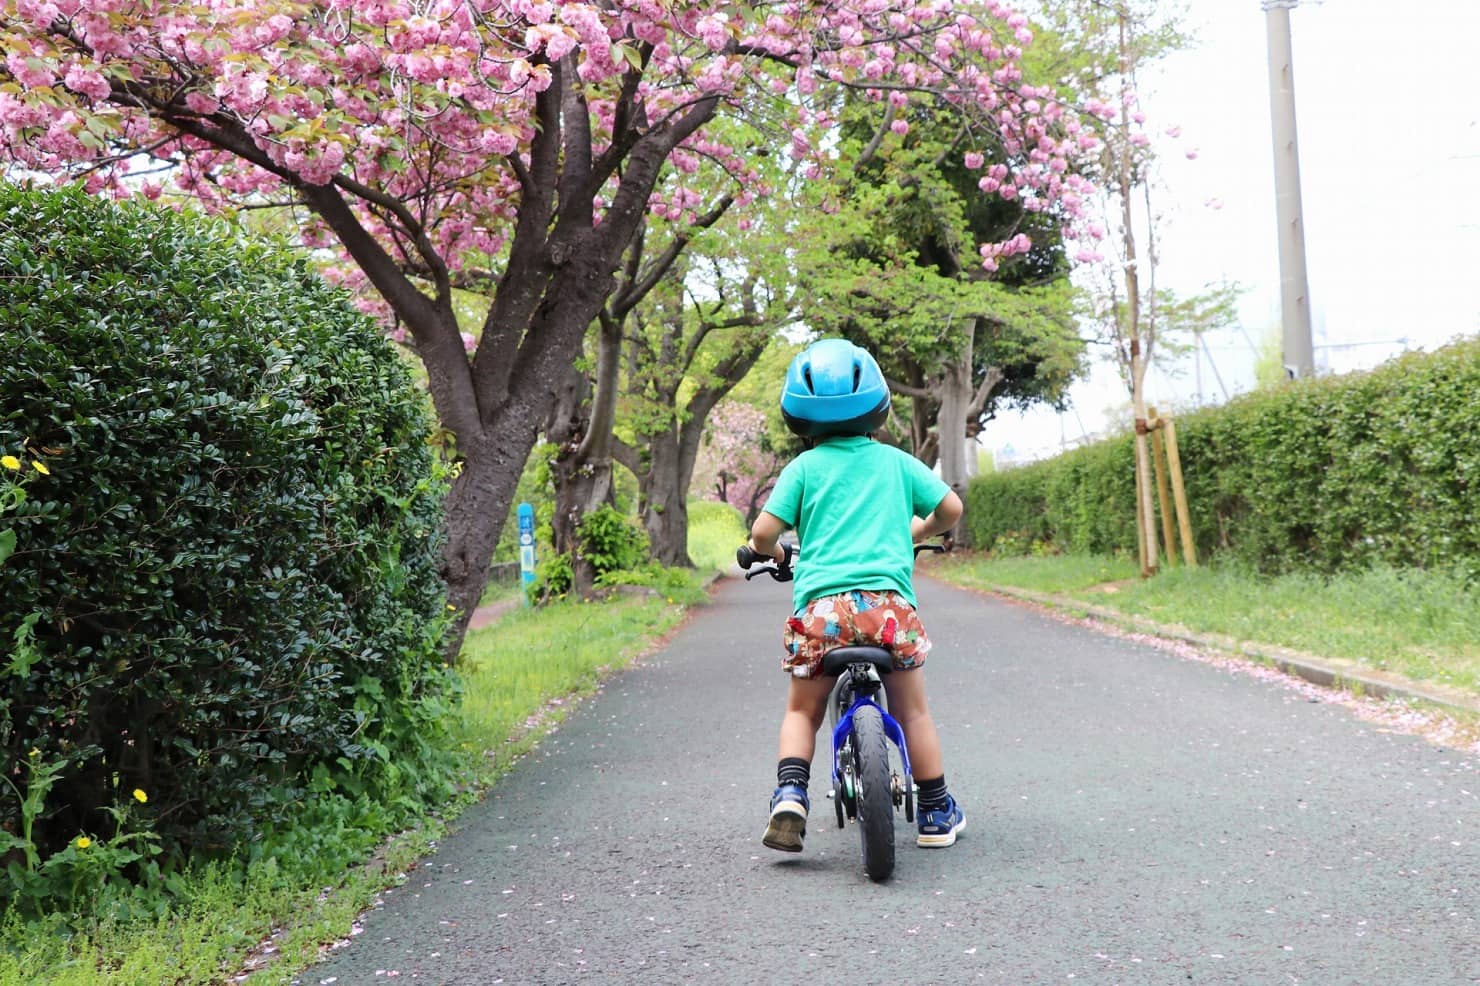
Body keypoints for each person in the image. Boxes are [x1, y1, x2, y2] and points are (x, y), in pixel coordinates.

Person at [747, 337, 965, 854]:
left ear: (799, 417)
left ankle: (791, 793)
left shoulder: (802, 470)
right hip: (889, 612)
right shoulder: (895, 461)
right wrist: (915, 532)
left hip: (822, 613)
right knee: (913, 712)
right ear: (877, 402)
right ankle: (935, 811)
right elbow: (951, 508)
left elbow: (761, 534)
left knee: (803, 712)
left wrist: (778, 555)